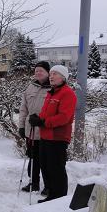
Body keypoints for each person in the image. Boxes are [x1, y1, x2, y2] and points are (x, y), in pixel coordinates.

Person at [29, 65, 77, 203]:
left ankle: (59, 199)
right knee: (46, 167)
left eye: (55, 74)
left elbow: (65, 117)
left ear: (63, 77)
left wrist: (43, 122)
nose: (51, 76)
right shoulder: (51, 93)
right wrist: (37, 118)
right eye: (50, 74)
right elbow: (46, 114)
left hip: (58, 138)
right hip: (45, 136)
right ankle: (52, 197)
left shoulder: (67, 93)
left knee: (56, 170)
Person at [18, 61, 51, 194]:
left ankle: (49, 185)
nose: (38, 73)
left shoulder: (52, 88)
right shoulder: (30, 87)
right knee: (33, 157)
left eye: (41, 71)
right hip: (30, 129)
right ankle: (34, 182)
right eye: (36, 70)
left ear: (48, 72)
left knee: (46, 160)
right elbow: (23, 108)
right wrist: (21, 126)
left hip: (45, 130)